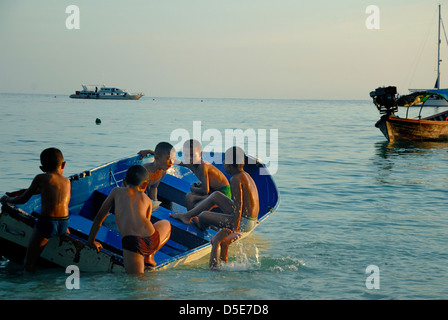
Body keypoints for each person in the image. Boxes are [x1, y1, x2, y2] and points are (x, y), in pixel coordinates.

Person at [170, 146, 260, 268]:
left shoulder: (235, 179)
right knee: (216, 195)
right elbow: (248, 202)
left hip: (243, 221)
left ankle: (201, 223)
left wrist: (235, 230)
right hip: (249, 219)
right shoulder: (245, 175)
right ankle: (187, 216)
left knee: (203, 216)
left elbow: (239, 206)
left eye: (224, 162)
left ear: (228, 164)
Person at [88, 165, 171, 274]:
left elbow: (99, 217)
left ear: (124, 182)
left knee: (136, 279)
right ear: (145, 185)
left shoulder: (116, 191)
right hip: (152, 238)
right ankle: (150, 255)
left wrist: (91, 241)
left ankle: (146, 256)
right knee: (166, 224)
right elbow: (147, 221)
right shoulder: (147, 200)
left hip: (133, 242)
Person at [0, 148, 71, 273]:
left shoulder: (41, 178)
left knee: (29, 263)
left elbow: (23, 200)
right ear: (63, 164)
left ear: (42, 168)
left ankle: (32, 289)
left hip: (47, 223)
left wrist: (7, 199)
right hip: (64, 224)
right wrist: (21, 191)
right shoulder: (67, 181)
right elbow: (43, 191)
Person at [180, 139, 231, 210]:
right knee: (189, 196)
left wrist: (193, 188)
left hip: (223, 193)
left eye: (193, 155)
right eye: (186, 155)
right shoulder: (191, 164)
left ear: (200, 154)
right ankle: (192, 218)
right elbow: (180, 163)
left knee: (190, 197)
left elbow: (205, 191)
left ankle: (192, 217)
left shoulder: (202, 166)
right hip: (212, 191)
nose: (189, 158)